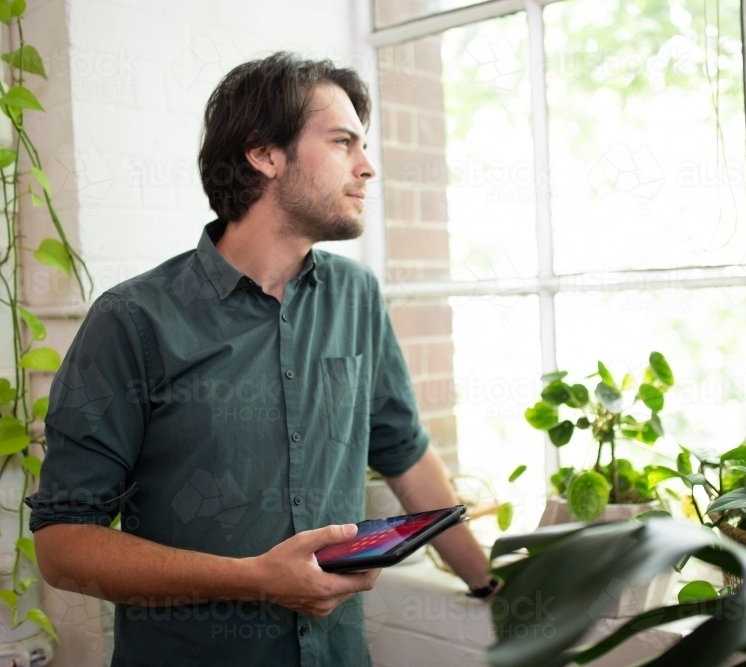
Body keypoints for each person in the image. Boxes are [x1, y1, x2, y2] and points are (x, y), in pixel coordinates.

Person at [25, 52, 495, 666]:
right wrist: (254, 577)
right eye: (342, 142)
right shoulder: (132, 321)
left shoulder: (356, 297)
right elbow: (63, 548)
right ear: (264, 153)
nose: (367, 166)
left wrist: (491, 585)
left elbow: (404, 451)